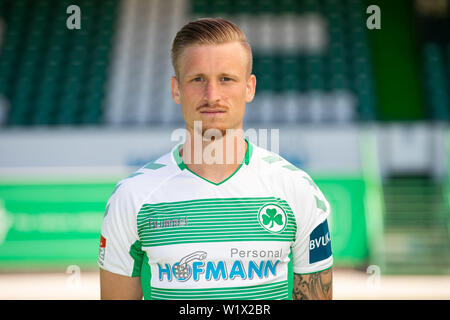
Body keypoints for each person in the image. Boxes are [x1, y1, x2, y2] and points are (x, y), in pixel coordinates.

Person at [98, 17, 333, 300]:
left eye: (226, 79)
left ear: (249, 87)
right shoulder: (132, 197)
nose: (212, 95)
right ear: (176, 89)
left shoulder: (297, 190)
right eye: (198, 79)